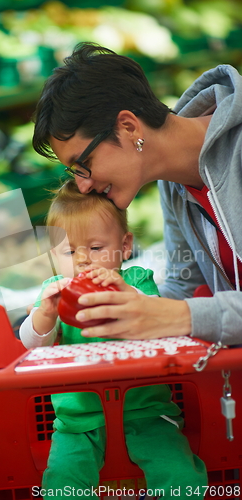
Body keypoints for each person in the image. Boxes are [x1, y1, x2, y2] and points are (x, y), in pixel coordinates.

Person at [32, 42, 242, 346]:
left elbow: (179, 310)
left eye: (84, 164)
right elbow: (184, 290)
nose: (83, 186)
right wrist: (120, 296)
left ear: (129, 127)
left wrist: (182, 316)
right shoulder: (174, 184)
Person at [20, 179, 207, 499]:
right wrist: (45, 315)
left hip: (147, 412)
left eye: (96, 248)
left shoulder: (136, 281)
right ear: (54, 255)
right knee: (63, 483)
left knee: (179, 475)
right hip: (78, 421)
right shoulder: (56, 291)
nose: (83, 260)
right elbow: (30, 344)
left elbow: (156, 321)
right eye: (69, 251)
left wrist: (124, 293)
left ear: (124, 246)